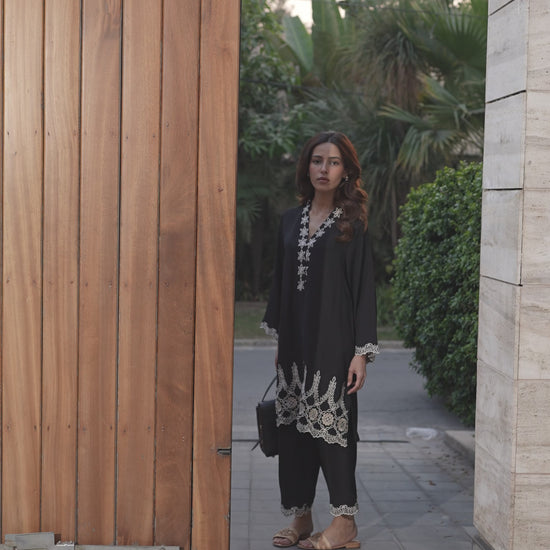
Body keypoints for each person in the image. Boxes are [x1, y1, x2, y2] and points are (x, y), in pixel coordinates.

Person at [261, 131, 379, 550]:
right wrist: (280, 339)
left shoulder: (353, 224)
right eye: (316, 161)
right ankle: (301, 515)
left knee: (335, 431)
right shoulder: (289, 221)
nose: (323, 169)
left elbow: (364, 289)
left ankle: (344, 523)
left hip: (335, 342)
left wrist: (361, 352)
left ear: (346, 171)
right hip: (296, 343)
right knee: (294, 428)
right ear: (306, 167)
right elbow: (281, 284)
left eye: (333, 162)